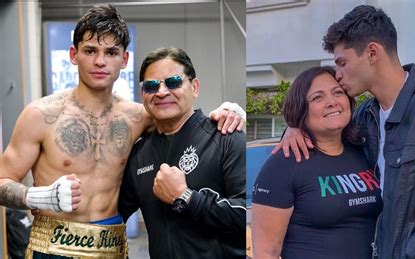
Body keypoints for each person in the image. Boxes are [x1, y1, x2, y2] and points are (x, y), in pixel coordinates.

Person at [0, 4, 244, 259]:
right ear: (74, 54)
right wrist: (39, 197)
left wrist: (229, 112)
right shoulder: (40, 115)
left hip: (111, 248)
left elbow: (181, 116)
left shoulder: (139, 117)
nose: (100, 61)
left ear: (124, 59)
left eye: (111, 52)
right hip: (53, 246)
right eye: (90, 50)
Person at [274, 5, 415, 258]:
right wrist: (294, 128)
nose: (338, 74)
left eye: (342, 63)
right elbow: (322, 135)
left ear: (371, 53)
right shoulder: (363, 116)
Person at [118, 47, 246, 258]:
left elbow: (249, 214)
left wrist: (186, 198)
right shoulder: (140, 154)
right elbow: (112, 210)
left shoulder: (226, 137)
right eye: (151, 86)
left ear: (194, 87)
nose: (161, 92)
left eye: (173, 82)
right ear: (143, 94)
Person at [251, 66, 382, 259]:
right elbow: (266, 253)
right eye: (317, 98)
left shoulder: (365, 151)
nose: (332, 102)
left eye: (338, 92)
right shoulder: (283, 165)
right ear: (300, 109)